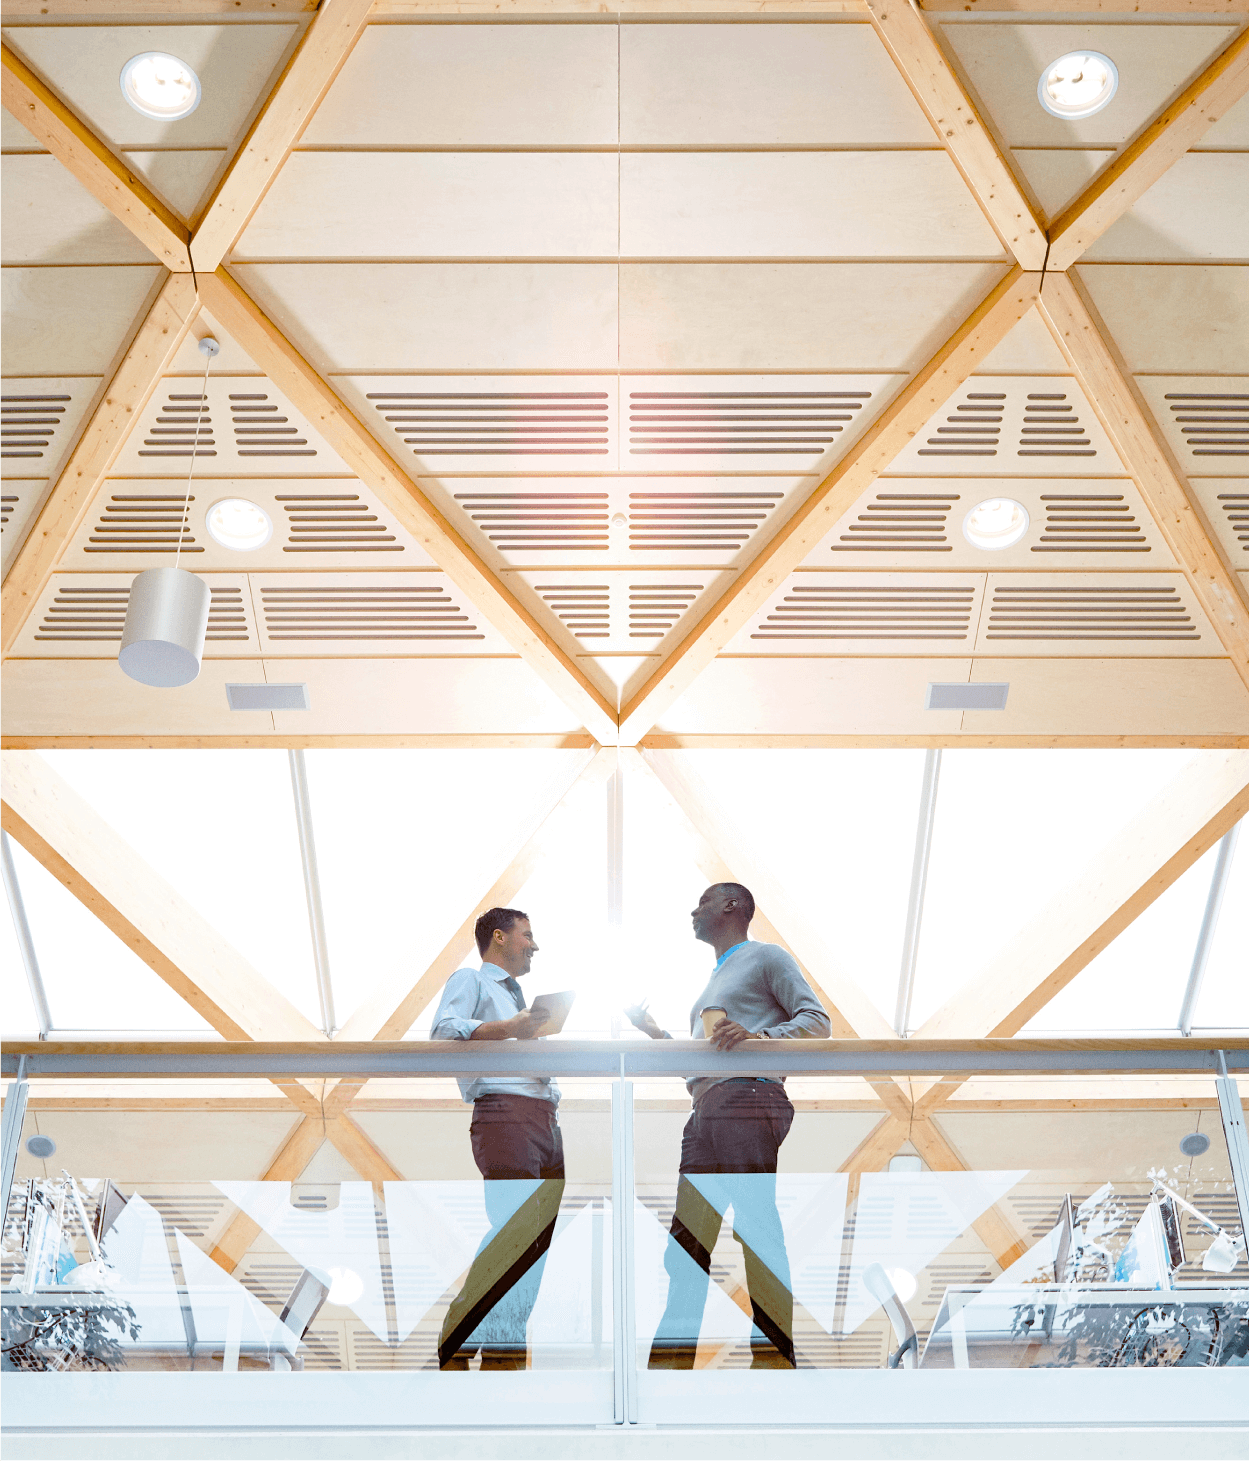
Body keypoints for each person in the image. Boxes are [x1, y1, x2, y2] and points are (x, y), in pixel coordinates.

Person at [626, 882, 830, 1369]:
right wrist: (656, 1033)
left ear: (731, 906)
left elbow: (817, 1022)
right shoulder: (710, 984)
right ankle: (668, 1369)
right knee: (687, 1242)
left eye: (702, 902)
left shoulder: (766, 957)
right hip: (706, 1108)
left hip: (748, 1096)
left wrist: (759, 1036)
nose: (692, 911)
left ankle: (775, 1359)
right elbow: (705, 1059)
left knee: (755, 1225)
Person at [430, 906, 563, 1370]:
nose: (535, 944)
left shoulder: (520, 997)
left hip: (545, 1119)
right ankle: (457, 1338)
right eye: (528, 934)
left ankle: (502, 1356)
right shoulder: (472, 981)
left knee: (536, 1242)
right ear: (500, 937)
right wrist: (512, 1029)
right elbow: (444, 1031)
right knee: (515, 1230)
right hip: (505, 1114)